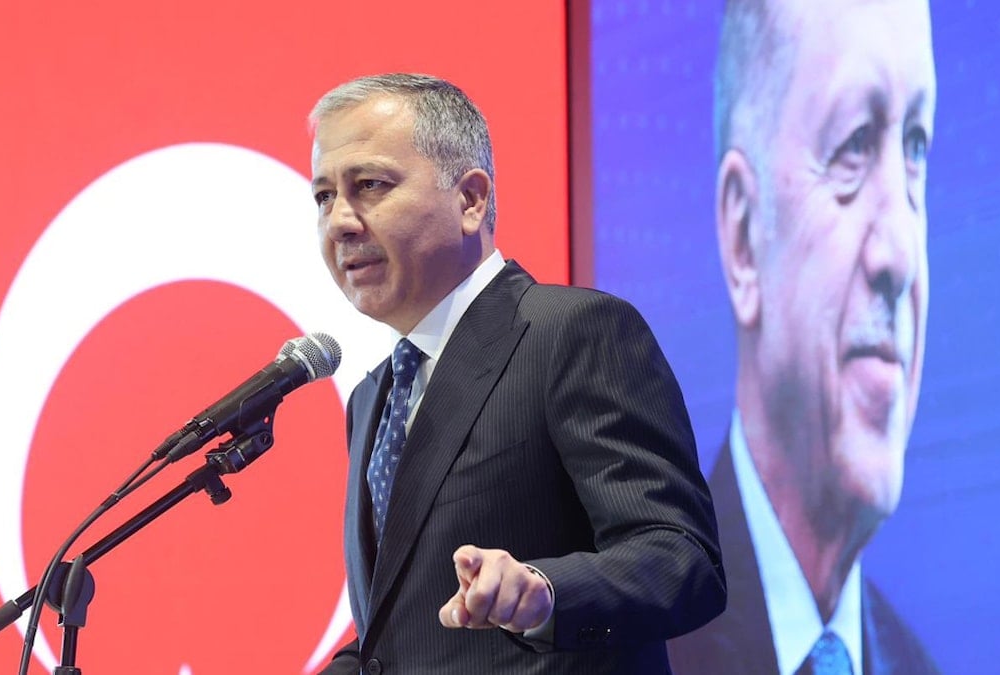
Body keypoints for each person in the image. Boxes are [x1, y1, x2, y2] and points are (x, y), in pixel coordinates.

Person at [308, 73, 726, 674]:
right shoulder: (373, 396)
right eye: (324, 196)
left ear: (470, 200)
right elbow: (399, 641)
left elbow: (680, 560)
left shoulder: (571, 333)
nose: (340, 222)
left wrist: (543, 593)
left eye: (370, 185)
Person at [667, 0, 940, 673]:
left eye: (915, 147)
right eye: (854, 145)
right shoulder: (640, 641)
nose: (900, 255)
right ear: (744, 237)